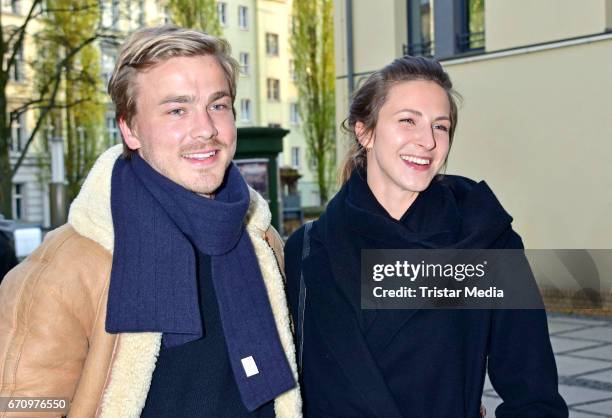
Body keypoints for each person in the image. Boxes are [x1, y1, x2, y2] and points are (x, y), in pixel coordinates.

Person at [0, 26, 301, 417]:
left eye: (218, 105)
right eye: (177, 110)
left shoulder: (262, 241)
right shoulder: (64, 270)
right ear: (130, 129)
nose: (206, 129)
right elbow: (22, 405)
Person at [284, 56, 568, 417]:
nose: (428, 142)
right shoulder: (307, 249)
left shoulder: (486, 240)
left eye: (441, 127)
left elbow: (534, 396)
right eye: (407, 121)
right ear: (365, 131)